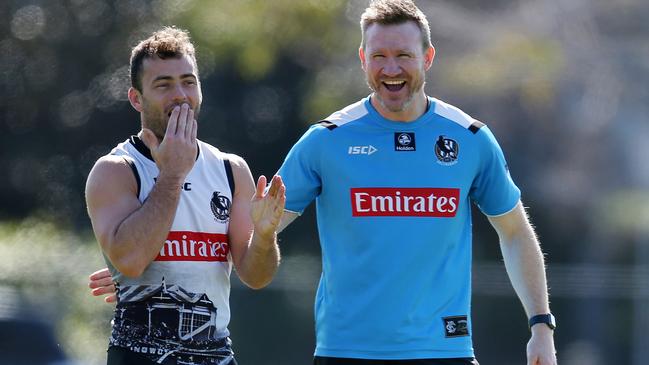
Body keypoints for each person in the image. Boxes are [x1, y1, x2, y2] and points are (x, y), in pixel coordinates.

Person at [91, 1, 557, 364]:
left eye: (403, 56)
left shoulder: (470, 138)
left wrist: (541, 324)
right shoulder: (326, 141)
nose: (391, 68)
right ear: (362, 60)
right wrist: (153, 268)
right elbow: (259, 232)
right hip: (346, 352)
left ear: (427, 57)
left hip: (446, 350)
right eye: (379, 56)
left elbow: (515, 232)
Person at [85, 26, 285, 365]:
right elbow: (131, 261)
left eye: (188, 81)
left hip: (217, 356)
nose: (180, 94)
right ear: (137, 98)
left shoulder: (230, 169)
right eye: (163, 85)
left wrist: (265, 237)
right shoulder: (116, 170)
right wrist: (173, 174)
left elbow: (256, 276)